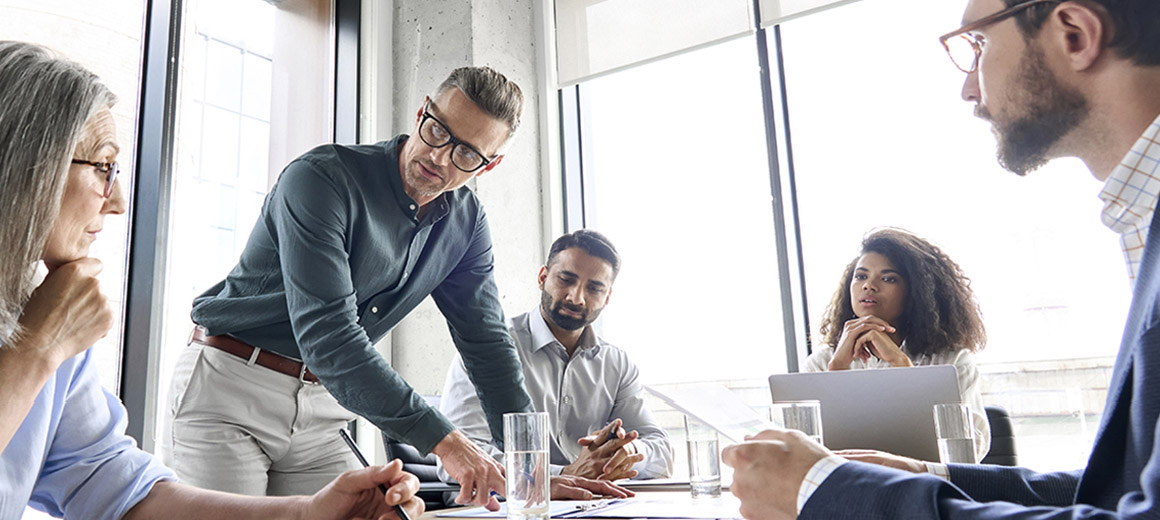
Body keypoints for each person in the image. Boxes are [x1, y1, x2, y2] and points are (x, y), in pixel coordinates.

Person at [722, 0, 1160, 518]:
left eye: (977, 45)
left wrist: (832, 492)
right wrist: (930, 474)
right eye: (863, 276)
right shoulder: (1141, 223)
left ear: (1074, 34)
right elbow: (1119, 491)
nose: (969, 89)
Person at [160, 65, 623, 508]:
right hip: (230, 390)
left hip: (322, 409)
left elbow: (486, 344)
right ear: (423, 111)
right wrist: (447, 443)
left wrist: (532, 471)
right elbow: (330, 338)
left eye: (466, 153)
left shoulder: (465, 222)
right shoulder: (321, 179)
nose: (439, 157)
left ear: (490, 165)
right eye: (438, 131)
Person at [0, 40, 422, 520]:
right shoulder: (46, 331)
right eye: (102, 166)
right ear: (24, 166)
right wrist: (37, 349)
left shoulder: (41, 317)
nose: (117, 200)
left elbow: (113, 487)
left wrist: (306, 514)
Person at [439, 230, 674, 484]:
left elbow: (662, 453)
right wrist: (561, 476)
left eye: (594, 288)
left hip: (589, 506)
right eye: (565, 279)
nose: (576, 298)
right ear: (542, 278)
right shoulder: (486, 348)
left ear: (607, 298)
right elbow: (458, 458)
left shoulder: (617, 364)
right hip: (506, 508)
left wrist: (628, 452)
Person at [804, 228, 990, 461]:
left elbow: (967, 454)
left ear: (916, 292)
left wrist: (902, 366)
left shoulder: (952, 362)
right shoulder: (822, 363)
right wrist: (835, 374)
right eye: (861, 276)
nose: (869, 286)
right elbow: (805, 457)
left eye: (888, 278)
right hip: (852, 489)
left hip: (923, 488)